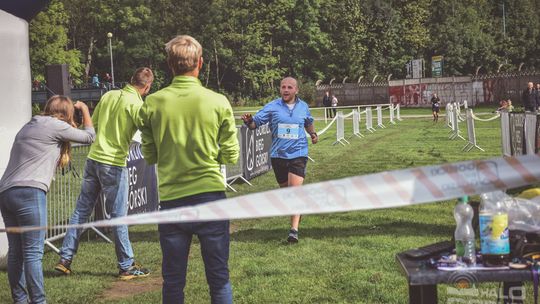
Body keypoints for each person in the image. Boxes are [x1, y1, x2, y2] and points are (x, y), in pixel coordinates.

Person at [139, 35, 239, 304]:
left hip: (172, 200)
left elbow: (149, 154)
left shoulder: (152, 103)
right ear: (200, 63)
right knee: (219, 278)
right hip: (210, 195)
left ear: (170, 65)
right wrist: (210, 153)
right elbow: (231, 154)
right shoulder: (218, 101)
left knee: (173, 280)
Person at [55, 67, 154, 280]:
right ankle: (126, 265)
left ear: (130, 79)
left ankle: (64, 260)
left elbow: (92, 126)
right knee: (118, 217)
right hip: (114, 164)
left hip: (93, 160)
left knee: (80, 212)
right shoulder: (137, 104)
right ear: (147, 87)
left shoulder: (108, 95)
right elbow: (147, 133)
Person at [0, 96, 95, 304]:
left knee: (16, 252)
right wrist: (85, 110)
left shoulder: (30, 125)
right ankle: (39, 301)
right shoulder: (55, 125)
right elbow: (89, 137)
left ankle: (20, 300)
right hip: (30, 191)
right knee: (33, 254)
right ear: (66, 112)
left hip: (6, 192)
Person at [241, 77, 318, 243]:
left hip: (298, 153)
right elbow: (255, 124)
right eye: (283, 87)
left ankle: (293, 231)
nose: (286, 90)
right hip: (278, 155)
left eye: (290, 87)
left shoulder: (303, 106)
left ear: (296, 90)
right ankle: (298, 211)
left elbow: (308, 122)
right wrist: (249, 121)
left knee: (294, 192)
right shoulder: (272, 106)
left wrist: (312, 134)